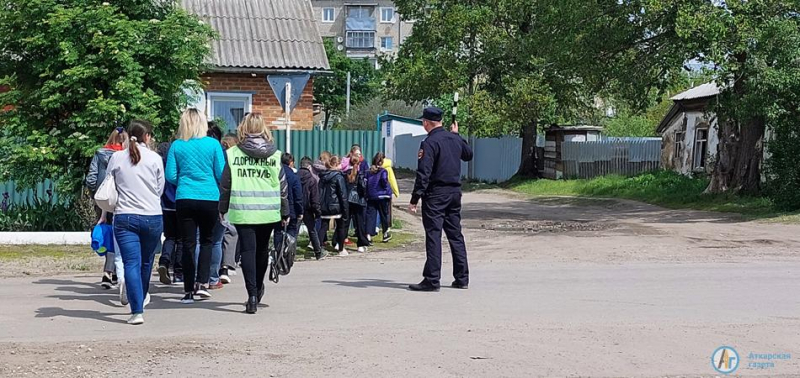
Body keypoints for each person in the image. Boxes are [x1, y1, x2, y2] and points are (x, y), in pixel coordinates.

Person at [218, 113, 289, 314]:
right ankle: (258, 289)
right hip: (268, 211)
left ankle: (250, 296)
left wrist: (222, 209)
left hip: (243, 209)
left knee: (248, 251)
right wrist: (285, 211)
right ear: (264, 129)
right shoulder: (276, 155)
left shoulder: (233, 154)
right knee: (262, 251)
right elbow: (283, 187)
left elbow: (226, 185)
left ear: (243, 128)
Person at [408, 107, 473, 292]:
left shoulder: (429, 143)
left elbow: (424, 173)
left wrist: (415, 198)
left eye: (423, 121)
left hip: (436, 194)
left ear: (427, 122)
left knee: (434, 236)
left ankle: (432, 279)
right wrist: (458, 135)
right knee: (455, 236)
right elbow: (468, 155)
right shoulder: (454, 139)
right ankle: (462, 278)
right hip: (454, 193)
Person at [105, 120, 165, 325]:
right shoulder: (155, 158)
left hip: (125, 216)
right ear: (147, 136)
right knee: (147, 261)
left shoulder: (116, 157)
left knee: (131, 262)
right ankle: (142, 295)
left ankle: (136, 310)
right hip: (152, 216)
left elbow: (108, 184)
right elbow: (160, 188)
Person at [166, 108, 226, 303]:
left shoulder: (176, 145)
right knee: (207, 241)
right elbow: (220, 173)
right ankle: (202, 284)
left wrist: (185, 181)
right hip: (210, 197)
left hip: (185, 197)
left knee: (188, 243)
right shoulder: (214, 145)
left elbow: (170, 176)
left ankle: (188, 290)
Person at [86, 127, 127, 290]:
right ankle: (112, 272)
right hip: (122, 200)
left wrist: (96, 193)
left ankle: (109, 273)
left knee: (108, 233)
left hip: (103, 199)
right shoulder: (125, 156)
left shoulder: (99, 153)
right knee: (120, 236)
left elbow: (91, 178)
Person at [157, 141, 182, 285]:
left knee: (170, 237)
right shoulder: (181, 162)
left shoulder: (163, 163)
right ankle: (178, 272)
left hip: (166, 204)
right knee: (182, 239)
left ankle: (164, 262)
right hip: (180, 203)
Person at [219, 134, 240, 283]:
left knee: (215, 236)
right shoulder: (235, 157)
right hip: (232, 198)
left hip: (214, 195)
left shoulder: (218, 153)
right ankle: (225, 266)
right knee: (230, 233)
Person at [318, 155, 349, 255]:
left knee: (323, 227)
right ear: (336, 164)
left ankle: (317, 249)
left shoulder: (322, 177)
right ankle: (341, 249)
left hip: (324, 206)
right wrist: (345, 209)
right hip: (336, 206)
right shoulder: (338, 177)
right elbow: (342, 195)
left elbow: (319, 192)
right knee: (341, 227)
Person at [274, 153, 304, 253]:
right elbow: (298, 196)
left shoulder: (276, 174)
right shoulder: (294, 176)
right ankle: (289, 253)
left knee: (278, 231)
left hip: (277, 208)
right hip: (292, 210)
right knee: (291, 232)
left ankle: (278, 252)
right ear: (291, 163)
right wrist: (300, 212)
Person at [298, 156, 324, 260]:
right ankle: (318, 252)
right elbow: (315, 199)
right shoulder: (312, 180)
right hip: (308, 209)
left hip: (297, 208)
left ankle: (289, 253)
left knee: (294, 232)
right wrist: (317, 212)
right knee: (312, 230)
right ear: (309, 166)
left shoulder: (295, 177)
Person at [344, 155, 369, 253]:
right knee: (359, 223)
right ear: (359, 164)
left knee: (345, 223)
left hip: (347, 200)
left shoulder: (345, 174)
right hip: (358, 200)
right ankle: (361, 244)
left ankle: (339, 242)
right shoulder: (360, 175)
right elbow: (363, 187)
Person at [366, 152, 393, 243]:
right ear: (382, 161)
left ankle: (368, 235)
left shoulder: (369, 172)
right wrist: (387, 189)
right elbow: (384, 181)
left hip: (371, 196)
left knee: (370, 216)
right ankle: (385, 233)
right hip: (382, 196)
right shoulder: (383, 171)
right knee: (383, 215)